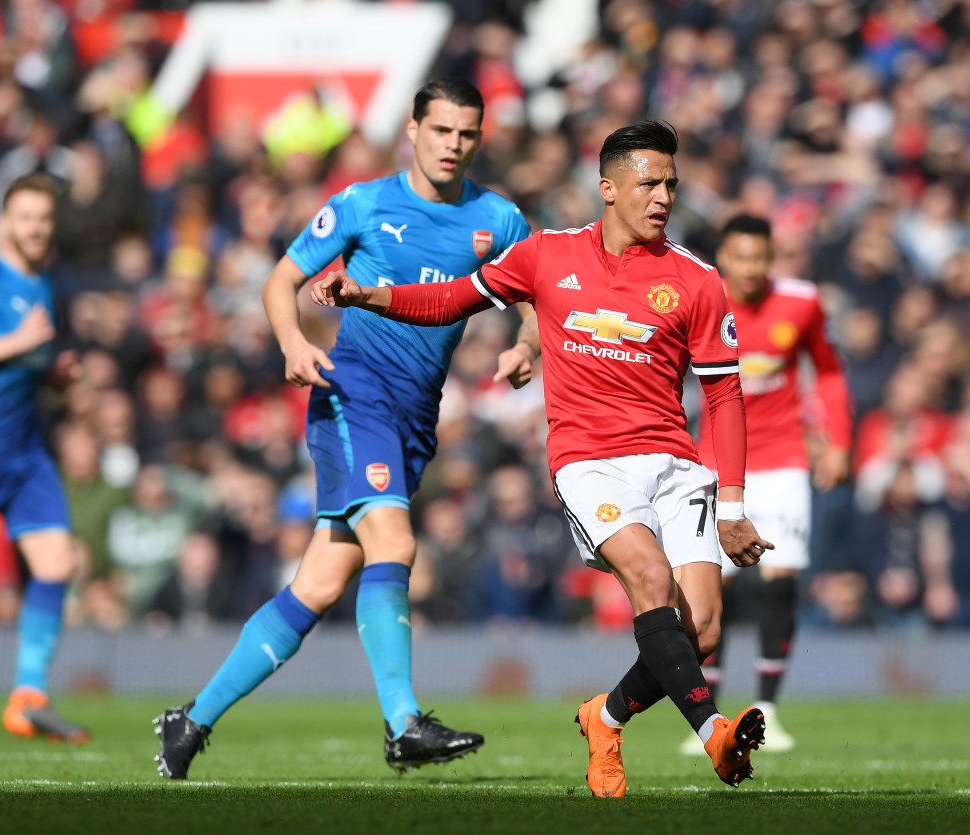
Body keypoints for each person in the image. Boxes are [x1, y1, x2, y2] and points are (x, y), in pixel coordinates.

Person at [314, 120, 775, 797]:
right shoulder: (546, 255)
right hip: (591, 461)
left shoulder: (697, 280)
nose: (664, 196)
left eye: (672, 183)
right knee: (649, 576)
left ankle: (605, 715)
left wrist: (732, 506)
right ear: (608, 188)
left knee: (699, 630)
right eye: (650, 182)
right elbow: (452, 298)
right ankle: (713, 732)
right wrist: (366, 293)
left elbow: (726, 394)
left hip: (675, 463)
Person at [152, 77, 531, 779]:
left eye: (467, 134)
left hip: (415, 415)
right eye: (441, 130)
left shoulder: (499, 219)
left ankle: (191, 718)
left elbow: (539, 288)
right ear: (412, 130)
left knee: (321, 585)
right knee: (395, 540)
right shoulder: (363, 202)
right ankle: (403, 723)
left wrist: (526, 344)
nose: (453, 145)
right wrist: (295, 345)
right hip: (353, 394)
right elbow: (278, 283)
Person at [684, 214, 853, 754]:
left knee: (780, 578)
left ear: (771, 257)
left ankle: (769, 710)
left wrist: (839, 438)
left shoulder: (802, 302)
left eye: (762, 257)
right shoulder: (699, 296)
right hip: (715, 459)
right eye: (741, 257)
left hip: (782, 458)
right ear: (724, 258)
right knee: (717, 585)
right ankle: (709, 720)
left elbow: (826, 370)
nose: (752, 268)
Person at [0, 173, 88, 742]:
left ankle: (27, 699)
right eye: (25, 216)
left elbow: (20, 365)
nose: (34, 227)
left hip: (25, 450)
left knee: (56, 562)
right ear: (6, 221)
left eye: (43, 218)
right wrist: (22, 344)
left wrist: (51, 373)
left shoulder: (43, 283)